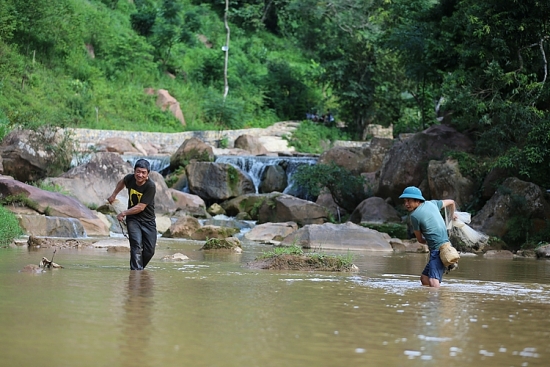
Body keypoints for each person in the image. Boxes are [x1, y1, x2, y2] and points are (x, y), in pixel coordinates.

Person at [399, 186, 456, 288]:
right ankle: (430, 299)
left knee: (433, 280)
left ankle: (437, 302)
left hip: (437, 250)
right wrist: (453, 215)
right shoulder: (432, 203)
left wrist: (429, 241)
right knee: (424, 278)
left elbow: (420, 240)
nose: (406, 204)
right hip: (447, 246)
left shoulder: (414, 216)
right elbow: (451, 202)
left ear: (417, 201)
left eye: (409, 201)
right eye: (405, 201)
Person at [108, 159, 157, 270]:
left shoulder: (150, 186)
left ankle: (138, 269)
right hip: (133, 219)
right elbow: (122, 182)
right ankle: (136, 273)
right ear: (134, 171)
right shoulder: (130, 178)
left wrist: (123, 213)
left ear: (148, 174)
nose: (140, 175)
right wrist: (114, 195)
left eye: (143, 172)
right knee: (136, 246)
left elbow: (141, 207)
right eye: (138, 171)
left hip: (148, 221)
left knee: (150, 251)